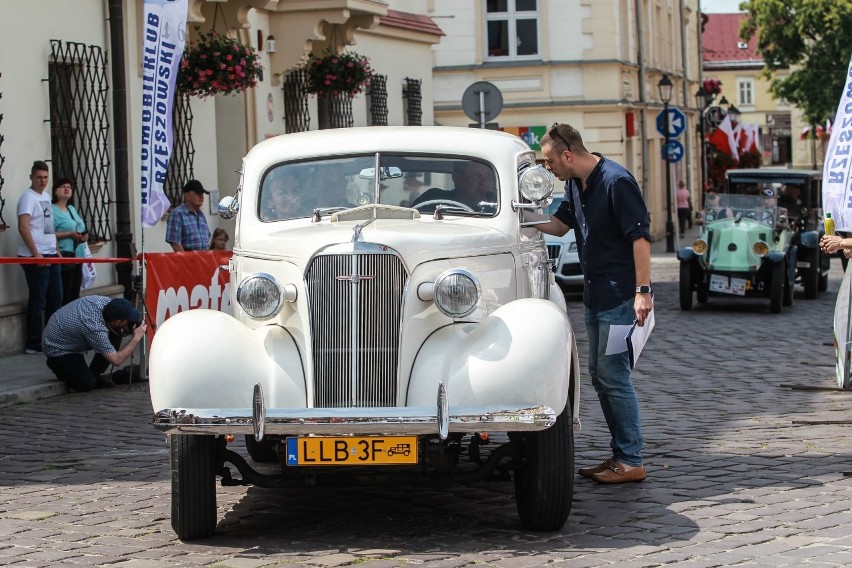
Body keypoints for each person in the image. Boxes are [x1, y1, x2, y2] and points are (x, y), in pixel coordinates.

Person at [532, 122, 651, 484]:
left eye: (550, 162)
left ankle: (630, 459)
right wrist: (521, 215)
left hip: (619, 298)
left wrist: (643, 292)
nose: (548, 169)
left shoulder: (616, 181)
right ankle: (619, 455)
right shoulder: (575, 183)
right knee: (600, 377)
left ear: (567, 155)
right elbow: (560, 225)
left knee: (615, 378)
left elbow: (640, 239)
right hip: (595, 295)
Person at [42, 296, 147, 392]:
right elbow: (117, 360)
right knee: (87, 383)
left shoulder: (107, 303)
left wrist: (128, 326)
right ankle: (57, 366)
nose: (130, 323)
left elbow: (115, 325)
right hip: (58, 349)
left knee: (115, 333)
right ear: (117, 321)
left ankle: (95, 373)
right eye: (128, 321)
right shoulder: (95, 328)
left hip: (68, 333)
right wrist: (135, 338)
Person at [17, 160, 63, 354]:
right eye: (39, 177)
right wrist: (36, 253)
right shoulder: (27, 197)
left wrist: (56, 248)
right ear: (31, 177)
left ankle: (50, 338)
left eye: (45, 177)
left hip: (51, 253)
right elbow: (23, 226)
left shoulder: (45, 196)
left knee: (56, 297)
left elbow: (48, 226)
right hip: (36, 256)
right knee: (38, 299)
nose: (43, 181)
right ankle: (33, 343)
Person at [51, 177, 89, 305]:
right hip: (64, 254)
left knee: (75, 294)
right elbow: (49, 233)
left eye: (69, 187)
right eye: (63, 186)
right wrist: (69, 234)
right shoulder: (51, 209)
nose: (67, 188)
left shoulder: (71, 209)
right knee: (65, 295)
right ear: (56, 191)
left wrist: (84, 236)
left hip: (78, 255)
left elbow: (81, 227)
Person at [410, 161, 496, 211]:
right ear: (457, 178)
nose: (484, 183)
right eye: (476, 175)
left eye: (488, 176)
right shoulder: (433, 199)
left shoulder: (496, 204)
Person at [166, 180, 211, 251]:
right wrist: (187, 261)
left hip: (203, 260)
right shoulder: (177, 214)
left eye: (202, 194)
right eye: (197, 193)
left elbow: (207, 240)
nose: (201, 197)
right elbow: (175, 243)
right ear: (187, 196)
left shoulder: (201, 215)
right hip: (188, 259)